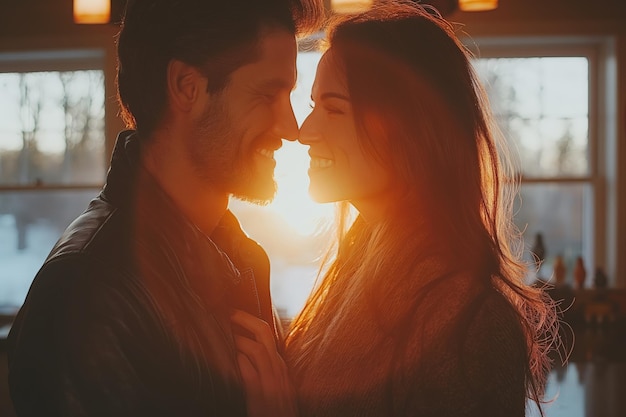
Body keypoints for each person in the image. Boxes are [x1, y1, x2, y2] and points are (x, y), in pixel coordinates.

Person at [231, 2, 561, 417]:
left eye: (333, 108)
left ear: (406, 130)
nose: (304, 131)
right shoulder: (350, 279)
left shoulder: (472, 324)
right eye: (314, 106)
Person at [7, 0, 322, 415]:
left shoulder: (242, 258)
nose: (291, 127)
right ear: (187, 87)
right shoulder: (88, 295)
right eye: (268, 94)